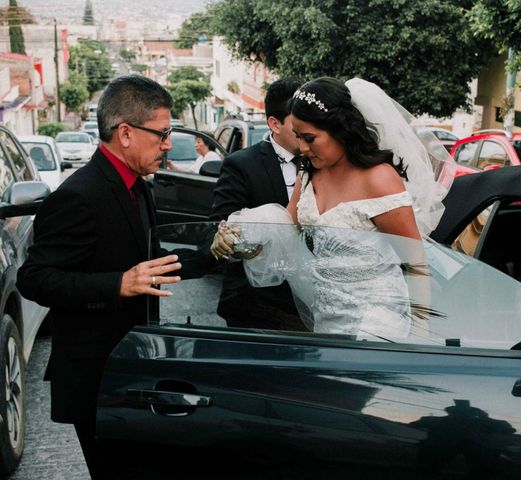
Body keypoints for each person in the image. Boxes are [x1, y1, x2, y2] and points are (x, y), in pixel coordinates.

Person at [16, 74, 182, 479]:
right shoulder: (78, 195)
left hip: (133, 367)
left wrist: (218, 249)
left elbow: (149, 263)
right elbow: (34, 279)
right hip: (96, 378)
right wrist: (117, 284)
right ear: (125, 133)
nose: (168, 144)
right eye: (162, 134)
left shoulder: (138, 186)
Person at [214, 77, 454, 339]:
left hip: (377, 322)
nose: (303, 148)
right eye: (298, 137)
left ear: (340, 129)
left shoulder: (379, 179)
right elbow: (285, 225)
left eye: (310, 138)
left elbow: (416, 264)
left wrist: (419, 335)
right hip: (326, 319)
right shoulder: (308, 173)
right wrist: (239, 235)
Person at [209, 77, 307, 331]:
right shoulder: (241, 164)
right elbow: (221, 224)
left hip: (309, 301)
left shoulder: (323, 161)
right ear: (274, 123)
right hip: (256, 303)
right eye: (299, 124)